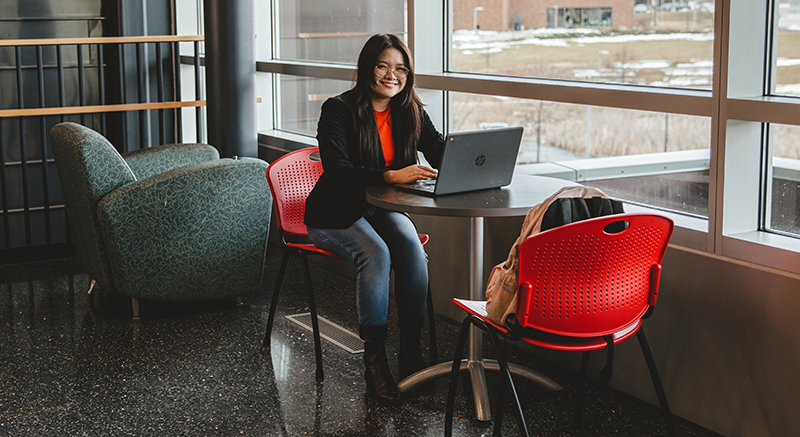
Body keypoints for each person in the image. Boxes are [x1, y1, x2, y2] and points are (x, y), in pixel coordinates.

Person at [304, 33, 444, 406]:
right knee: (377, 254)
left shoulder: (410, 110)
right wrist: (390, 176)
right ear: (368, 67)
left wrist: (474, 162)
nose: (391, 75)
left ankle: (411, 353)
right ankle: (375, 363)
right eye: (383, 65)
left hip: (379, 207)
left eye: (400, 68)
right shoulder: (339, 109)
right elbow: (337, 171)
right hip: (332, 212)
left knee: (412, 250)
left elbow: (438, 149)